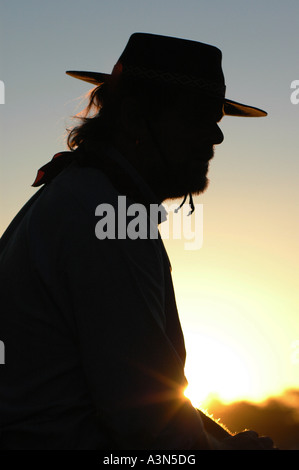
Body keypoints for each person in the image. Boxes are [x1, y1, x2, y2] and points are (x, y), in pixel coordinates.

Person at [0, 33, 274, 450]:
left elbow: (146, 397)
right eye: (196, 117)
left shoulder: (85, 197)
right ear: (133, 117)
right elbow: (146, 423)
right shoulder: (106, 216)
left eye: (215, 119)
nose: (216, 137)